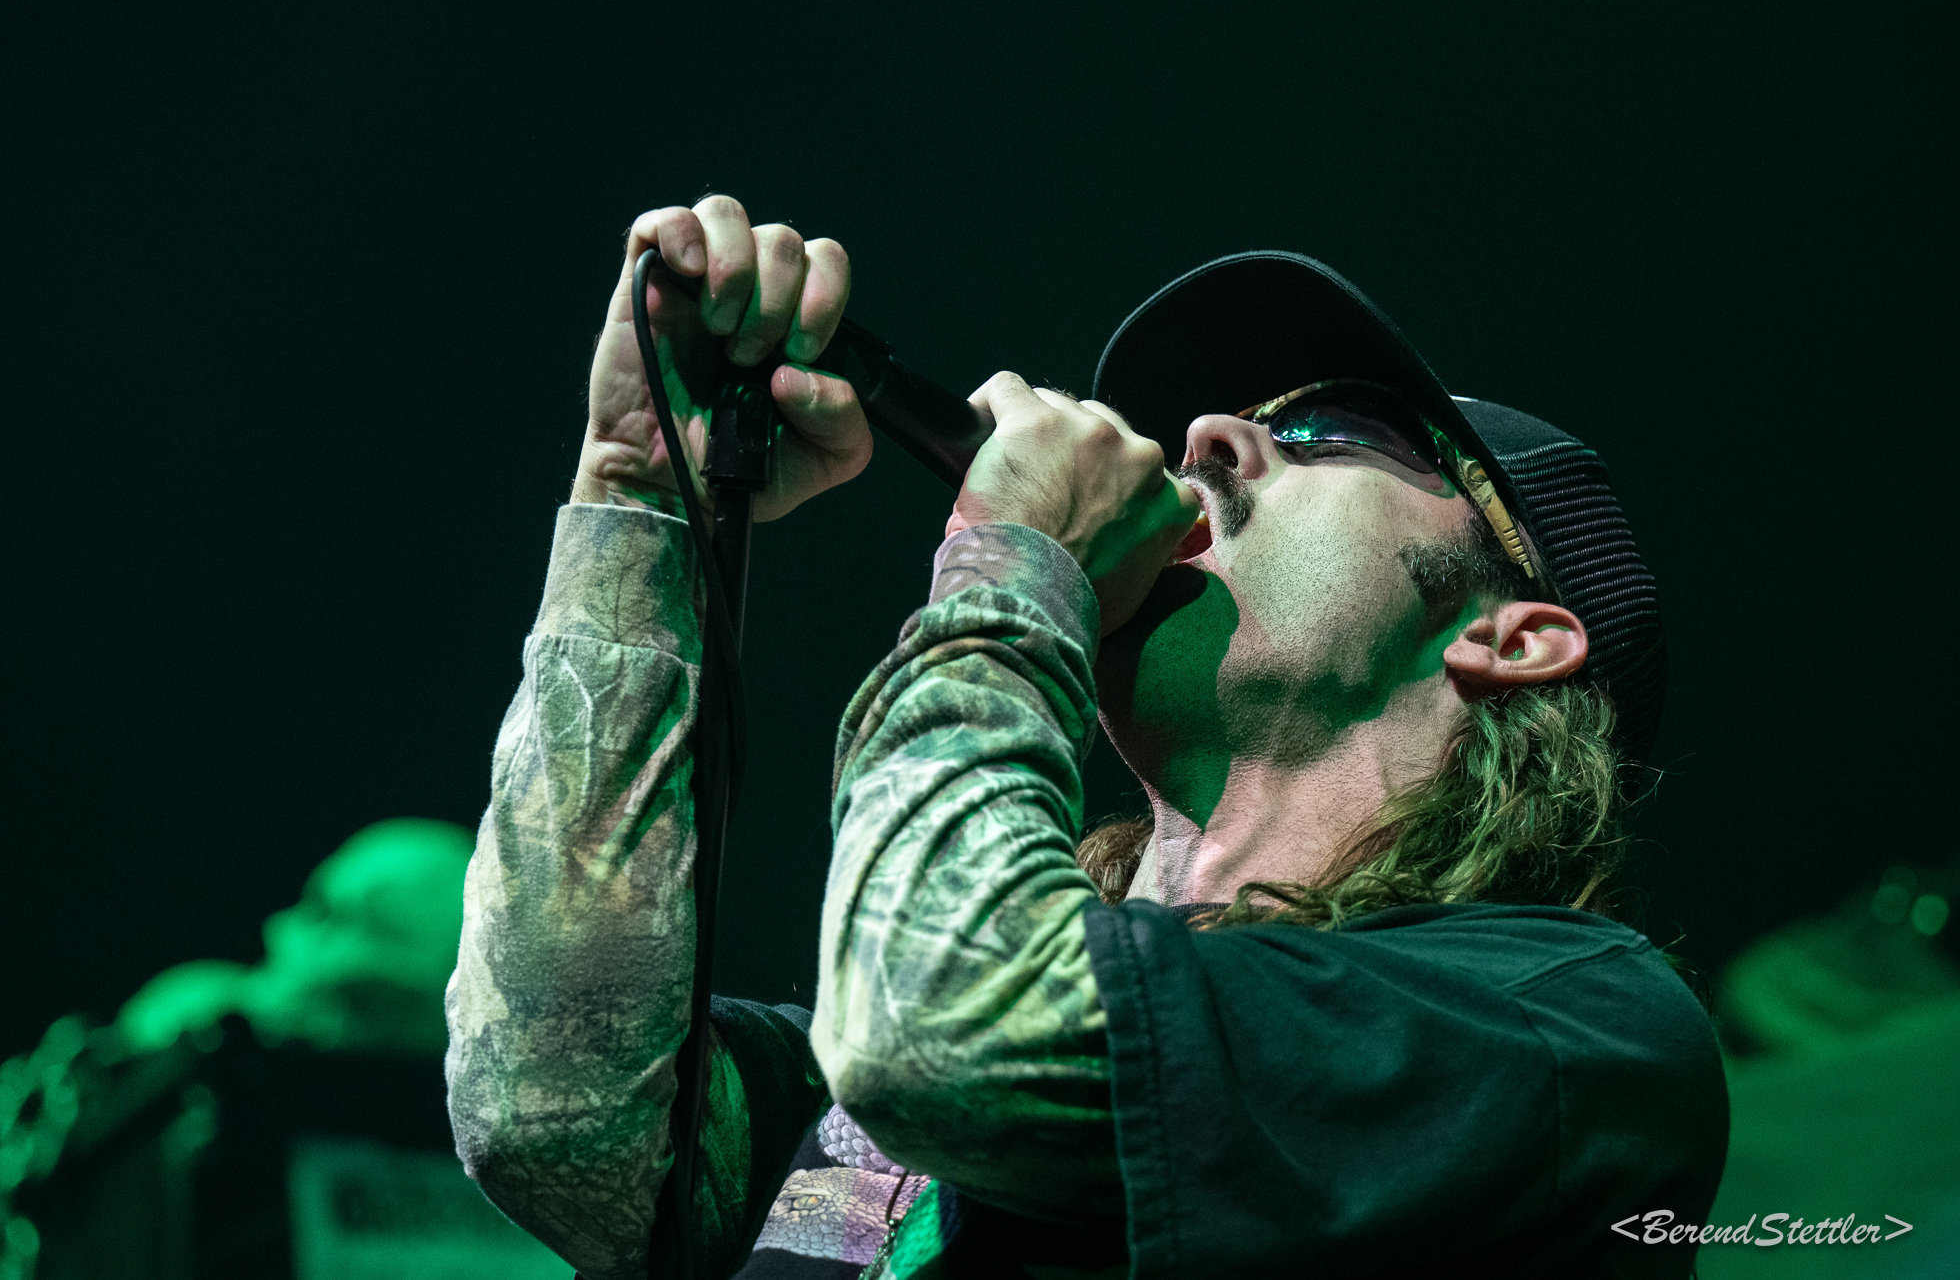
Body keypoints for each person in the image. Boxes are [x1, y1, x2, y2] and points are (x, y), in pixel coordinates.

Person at [445, 195, 1727, 1279]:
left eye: (1331, 433)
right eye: (1237, 416)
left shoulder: (1570, 1034)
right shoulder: (903, 1062)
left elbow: (948, 1034)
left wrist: (1010, 562)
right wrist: (639, 486)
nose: (1209, 436)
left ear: (1513, 639)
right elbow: (560, 1113)